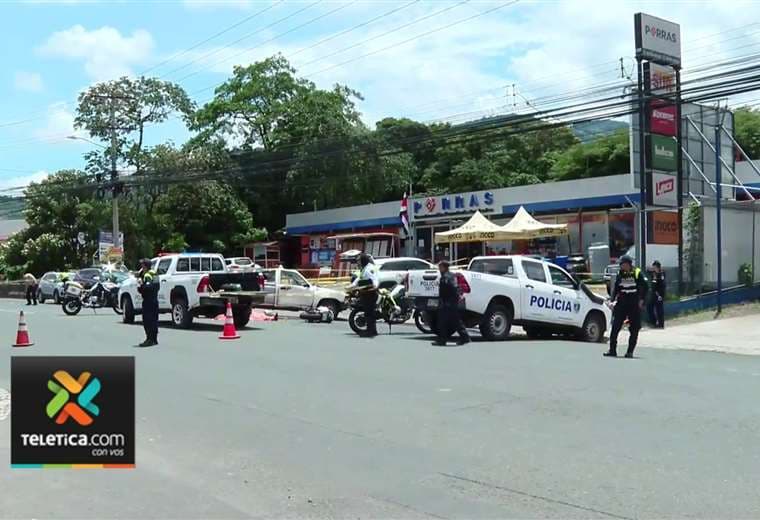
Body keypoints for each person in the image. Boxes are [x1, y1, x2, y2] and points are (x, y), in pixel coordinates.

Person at [605, 255, 647, 358]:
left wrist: (641, 300)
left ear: (628, 264)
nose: (621, 266)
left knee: (634, 329)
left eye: (622, 264)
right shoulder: (620, 273)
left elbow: (646, 286)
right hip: (622, 303)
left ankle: (630, 352)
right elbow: (616, 288)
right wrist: (612, 300)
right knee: (615, 327)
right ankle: (612, 350)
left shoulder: (637, 273)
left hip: (633, 304)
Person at [432, 260, 470, 347]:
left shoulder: (447, 277)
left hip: (448, 303)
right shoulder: (449, 276)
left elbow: (453, 288)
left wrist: (449, 300)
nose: (439, 268)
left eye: (440, 267)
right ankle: (465, 337)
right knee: (455, 321)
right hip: (449, 302)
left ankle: (442, 340)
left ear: (444, 267)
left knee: (442, 322)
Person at [350, 253, 379, 337]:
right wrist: (352, 286)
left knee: (369, 313)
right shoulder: (364, 268)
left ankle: (370, 332)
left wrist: (374, 286)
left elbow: (374, 280)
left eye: (359, 261)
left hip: (370, 293)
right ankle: (372, 330)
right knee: (369, 313)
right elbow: (359, 279)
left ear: (363, 260)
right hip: (366, 293)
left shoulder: (369, 269)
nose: (358, 262)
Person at [136, 259, 159, 347]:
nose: (141, 267)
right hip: (154, 300)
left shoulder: (147, 275)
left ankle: (149, 339)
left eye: (142, 265)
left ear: (145, 266)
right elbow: (157, 287)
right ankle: (154, 339)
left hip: (148, 300)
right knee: (154, 320)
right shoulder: (155, 273)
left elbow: (148, 288)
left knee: (147, 320)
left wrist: (140, 286)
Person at [648, 260, 666, 328]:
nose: (653, 268)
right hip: (654, 293)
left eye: (654, 267)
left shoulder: (661, 274)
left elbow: (662, 285)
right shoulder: (654, 273)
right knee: (650, 307)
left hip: (659, 294)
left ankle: (661, 324)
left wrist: (660, 295)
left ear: (657, 267)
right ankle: (654, 322)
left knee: (659, 309)